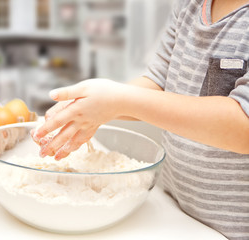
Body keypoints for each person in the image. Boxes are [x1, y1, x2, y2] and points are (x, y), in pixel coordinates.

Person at [31, 0, 249, 239]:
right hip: (178, 212)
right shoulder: (190, 6)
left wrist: (119, 100)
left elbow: (243, 124)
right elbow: (157, 85)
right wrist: (92, 107)